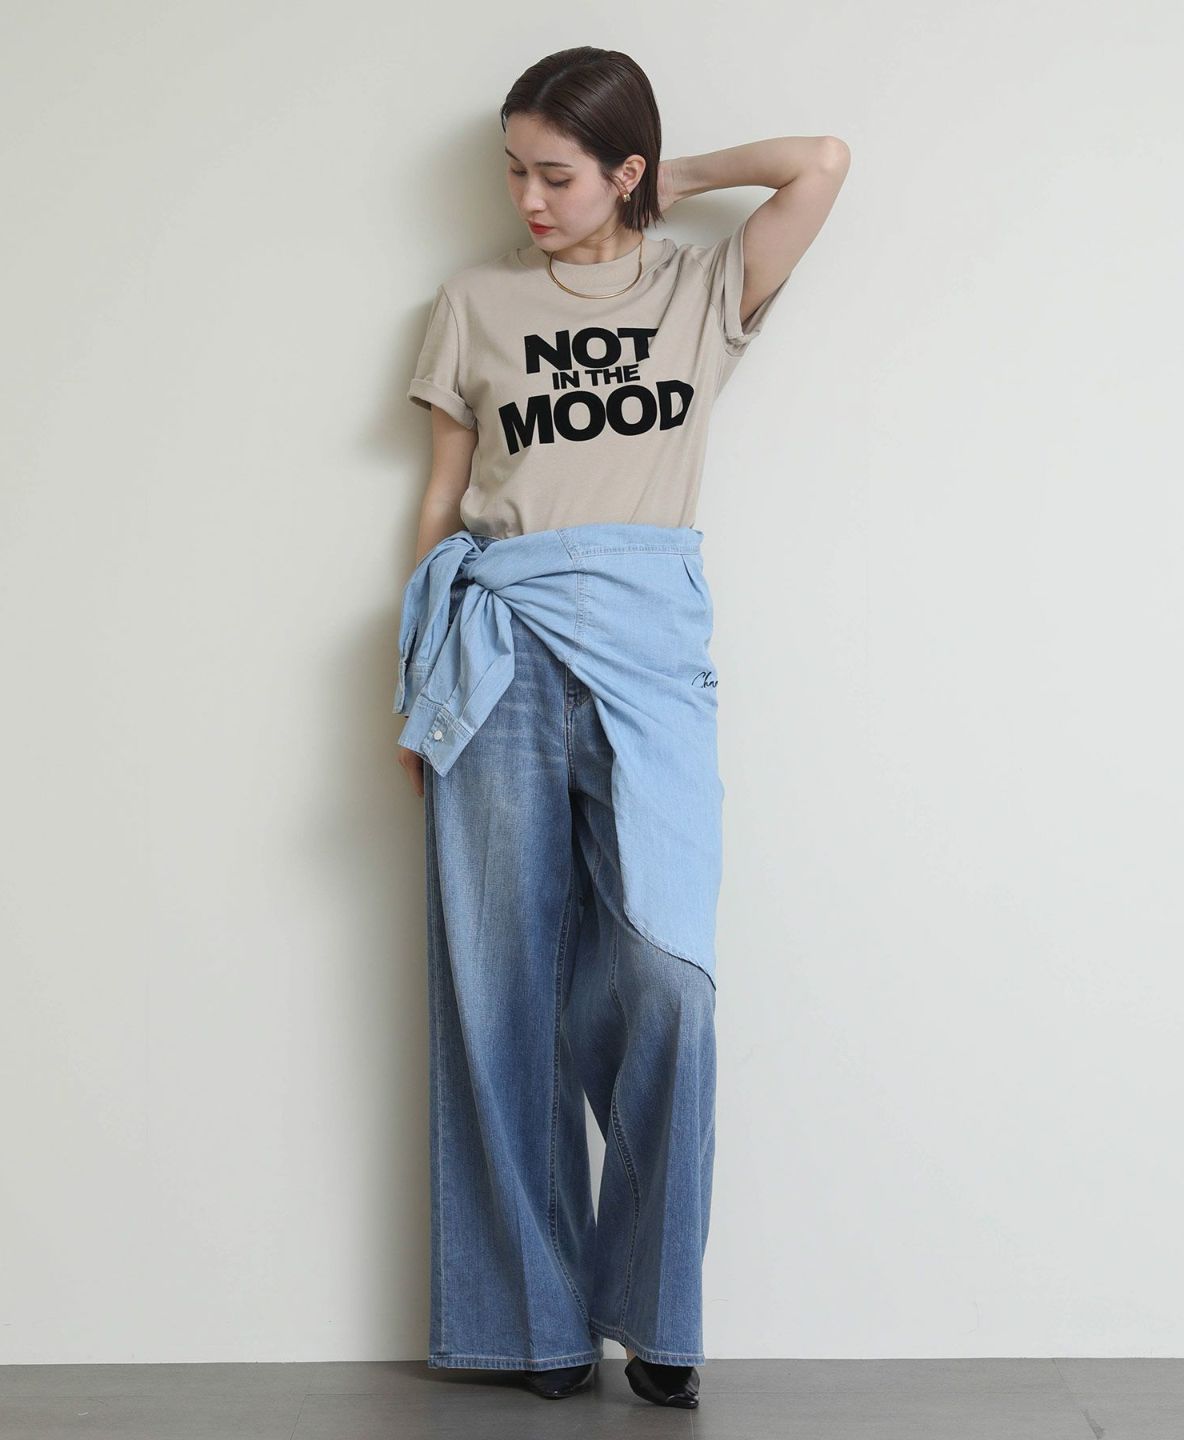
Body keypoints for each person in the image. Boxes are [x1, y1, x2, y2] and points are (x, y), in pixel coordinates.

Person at [395, 45, 850, 1410]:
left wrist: (670, 189)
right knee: (500, 983)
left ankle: (657, 1313)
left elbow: (820, 163)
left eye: (557, 174)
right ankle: (531, 1324)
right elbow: (439, 504)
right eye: (515, 173)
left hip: (651, 649)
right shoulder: (472, 303)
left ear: (625, 171)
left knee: (667, 982)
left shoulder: (700, 289)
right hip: (495, 643)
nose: (529, 200)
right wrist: (415, 688)